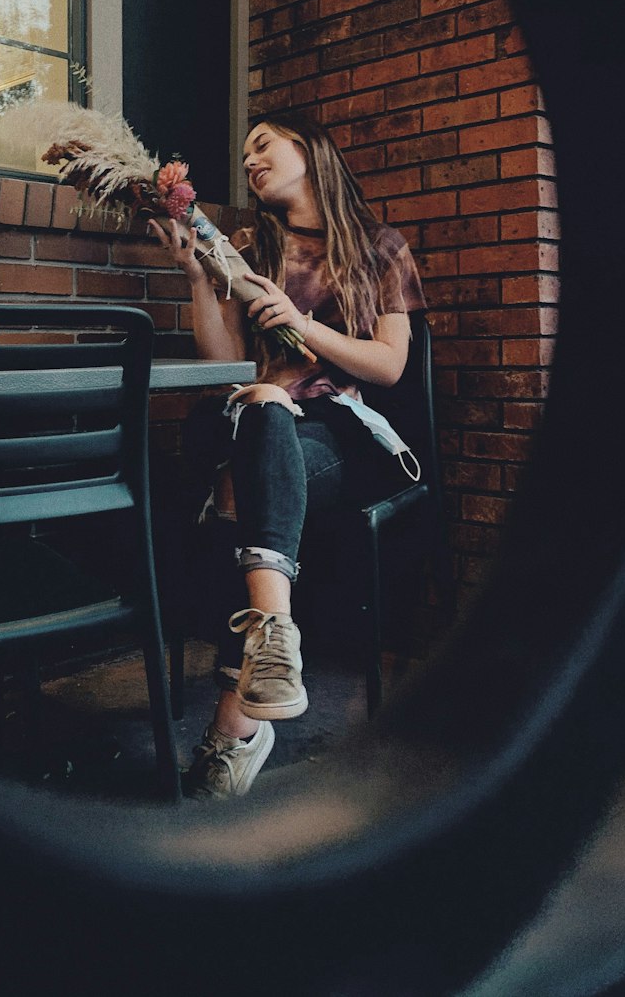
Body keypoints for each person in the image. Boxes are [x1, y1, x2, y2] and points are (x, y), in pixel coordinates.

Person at [149, 108, 426, 799]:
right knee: (259, 407)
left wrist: (301, 325)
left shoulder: (379, 246)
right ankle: (263, 660)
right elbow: (226, 364)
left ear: (311, 150)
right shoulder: (248, 246)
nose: (249, 160)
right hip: (257, 427)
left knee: (251, 467)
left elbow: (390, 365)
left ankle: (234, 722)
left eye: (262, 144)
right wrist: (196, 277)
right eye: (244, 154)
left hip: (339, 430)